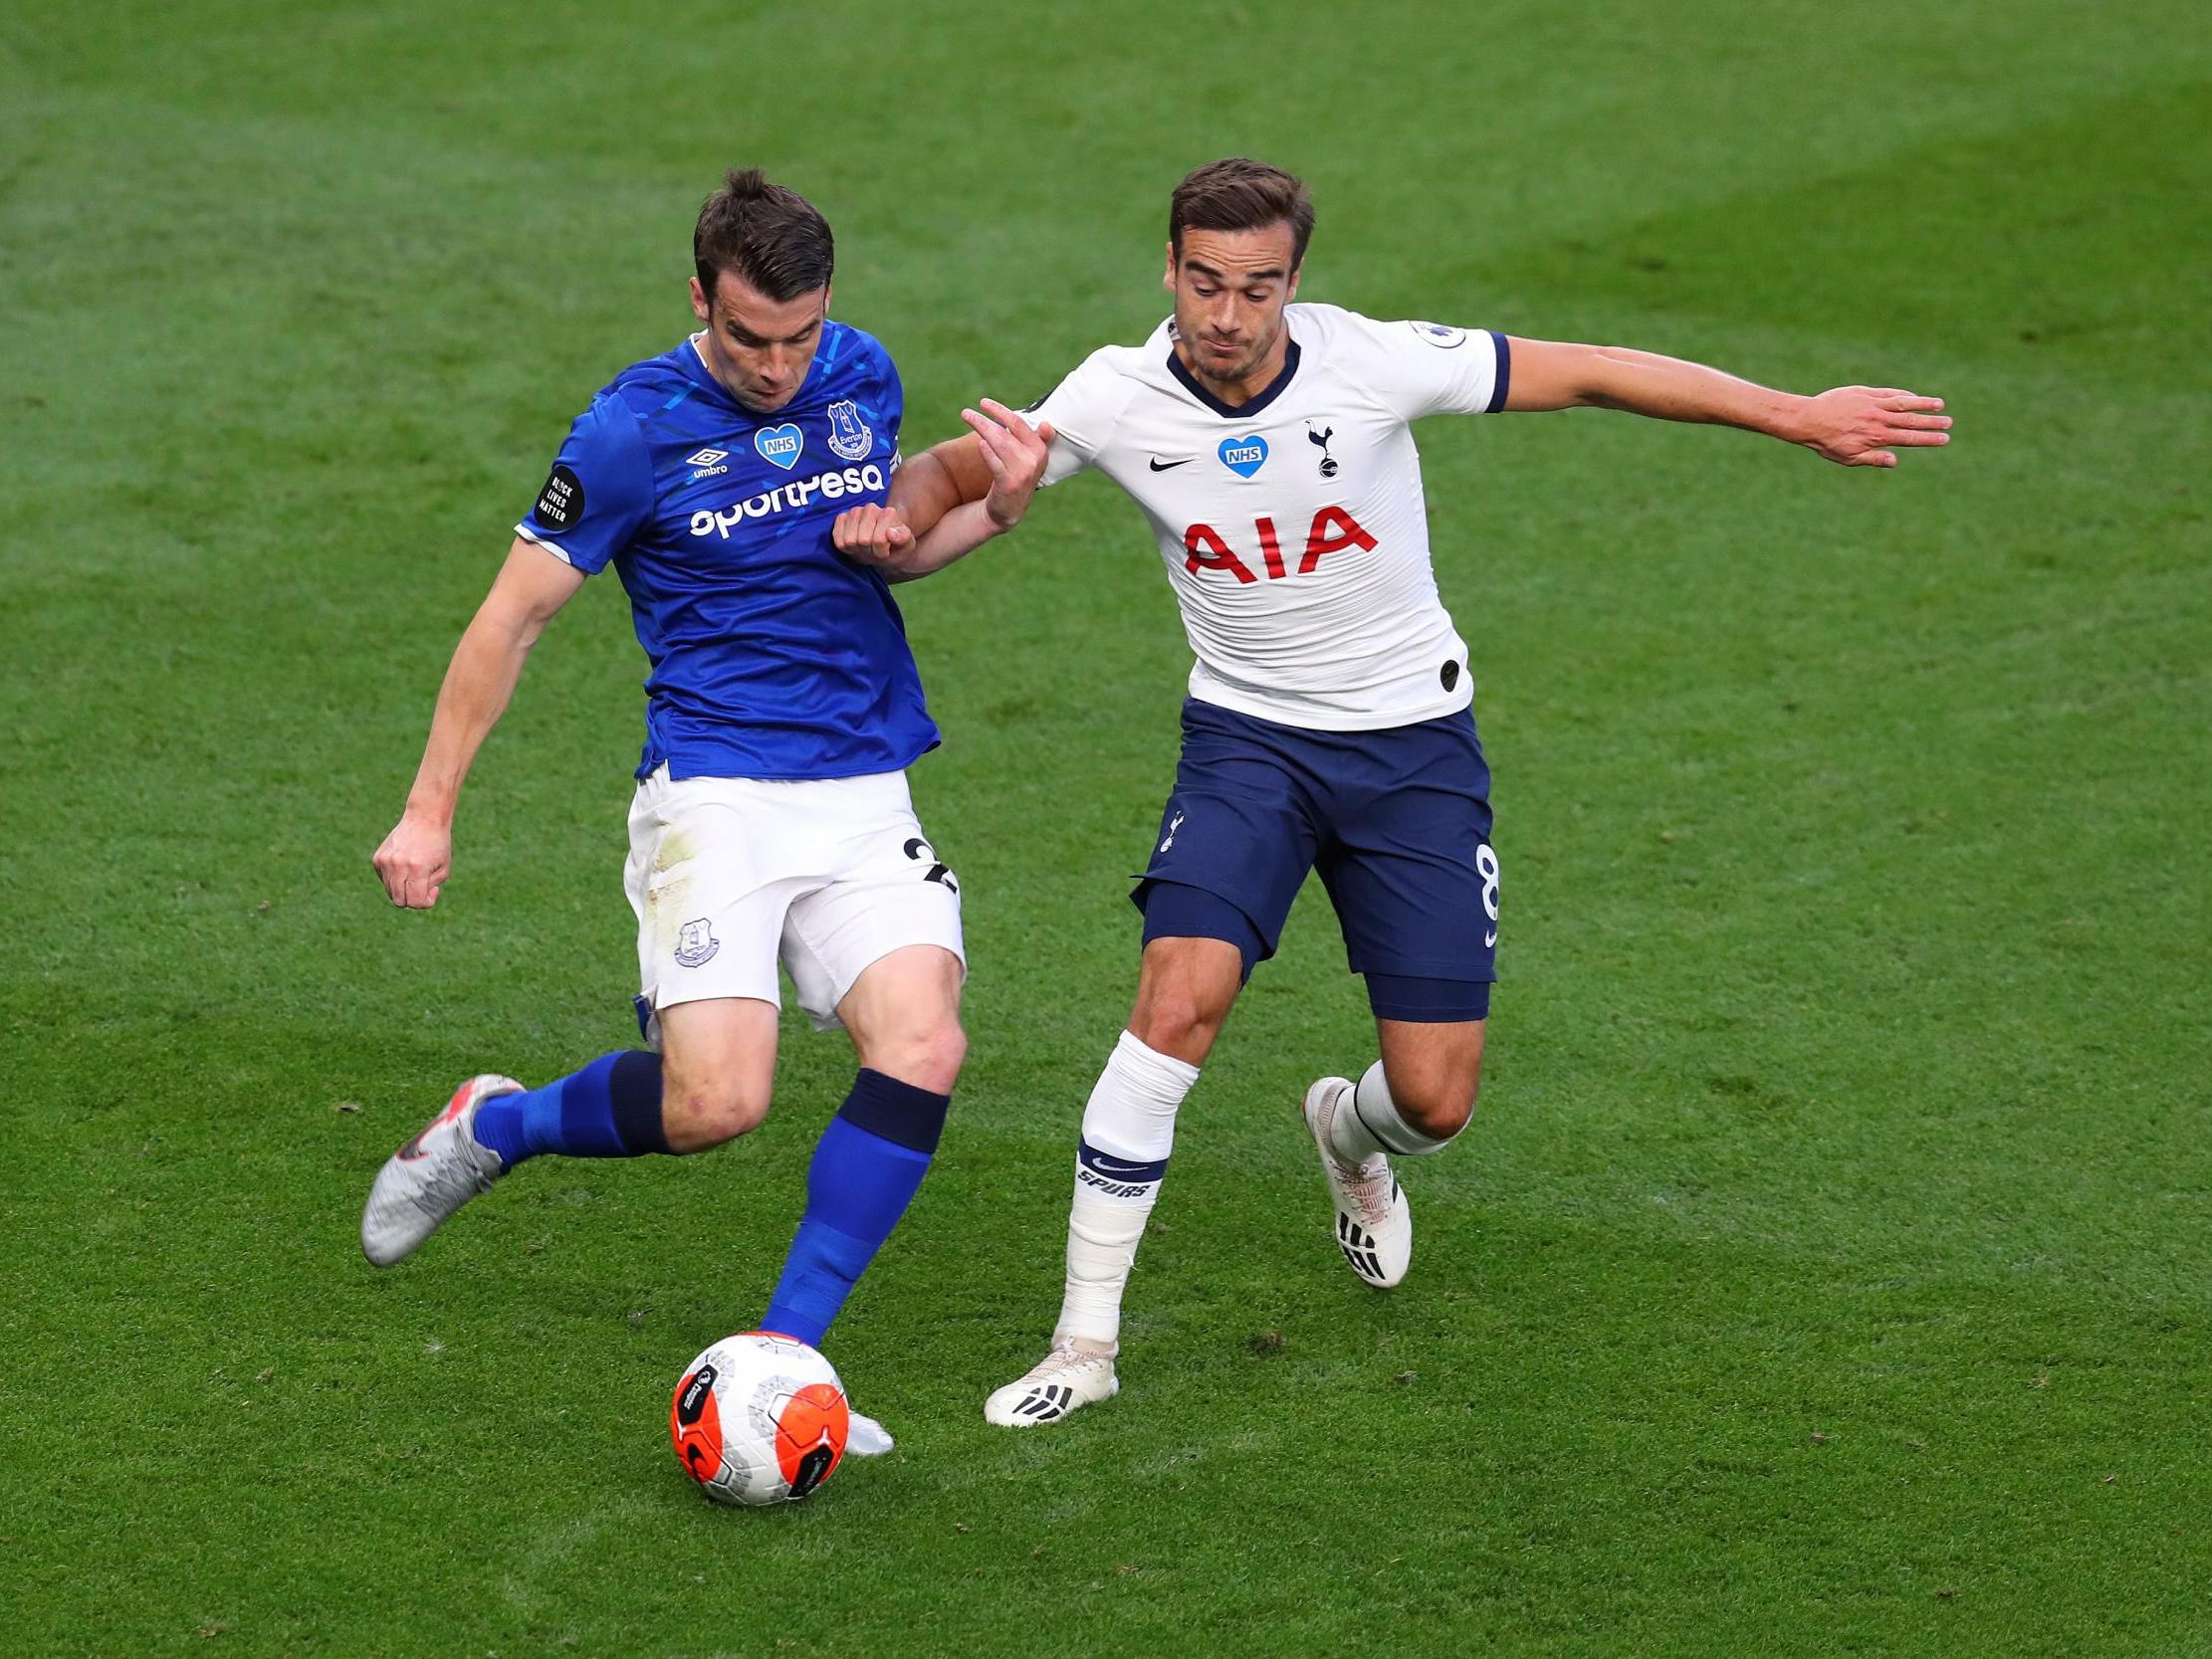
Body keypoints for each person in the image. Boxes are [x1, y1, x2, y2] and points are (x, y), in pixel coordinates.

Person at [831, 156, 1950, 1426]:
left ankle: (1346, 1134)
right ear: (1169, 271)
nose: (1227, 314)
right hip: (1245, 745)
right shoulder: (1115, 391)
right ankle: (1082, 1345)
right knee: (1174, 1001)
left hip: (1413, 751)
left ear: (1293, 286)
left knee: (1434, 1097)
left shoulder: (1371, 363)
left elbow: (1585, 367)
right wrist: (895, 512)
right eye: (1205, 282)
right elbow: (952, 479)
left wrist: (1792, 413)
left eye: (1257, 288)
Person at [360, 168, 1053, 1453]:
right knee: (714, 1105)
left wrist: (997, 506)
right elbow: (508, 618)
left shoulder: (861, 375)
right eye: (748, 337)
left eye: (797, 336)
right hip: (716, 794)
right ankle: (491, 1124)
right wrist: (427, 810)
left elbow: (898, 548)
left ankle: (783, 1359)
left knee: (924, 1045)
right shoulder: (630, 429)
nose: (778, 366)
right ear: (699, 299)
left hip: (859, 784)